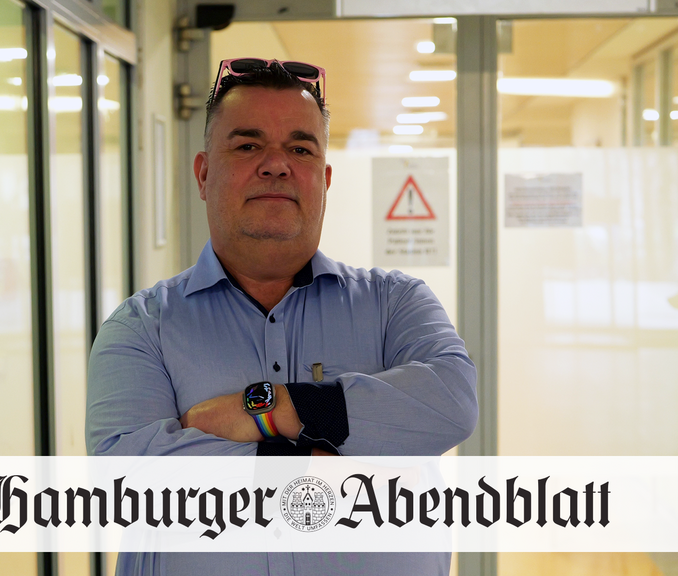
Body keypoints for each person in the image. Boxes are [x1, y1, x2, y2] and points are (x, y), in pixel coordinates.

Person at [86, 58, 478, 575]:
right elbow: (129, 486)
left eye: (300, 148)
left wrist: (266, 411)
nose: (277, 164)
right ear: (204, 174)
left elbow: (450, 403)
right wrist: (319, 463)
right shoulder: (141, 329)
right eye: (248, 145)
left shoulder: (396, 304)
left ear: (325, 178)